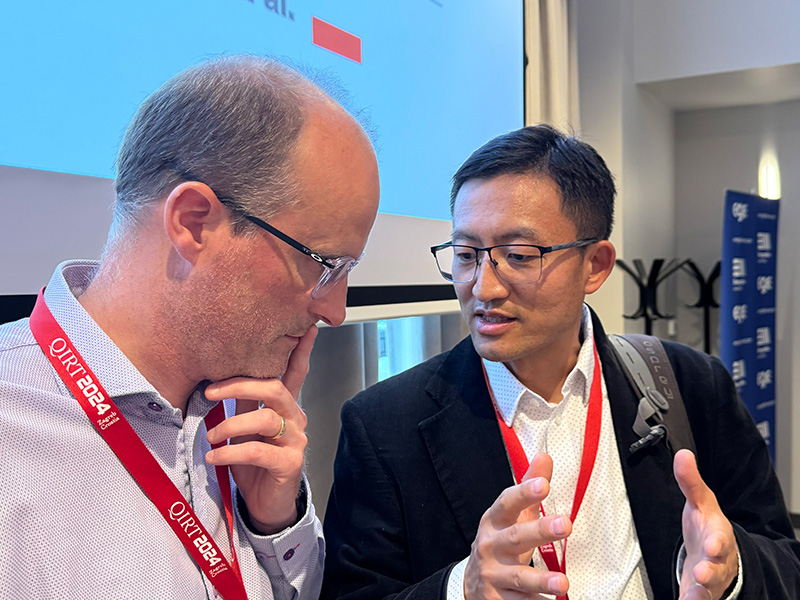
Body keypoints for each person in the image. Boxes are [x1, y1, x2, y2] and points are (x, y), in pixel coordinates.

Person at [321, 124, 800, 600]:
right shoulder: (384, 425)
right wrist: (460, 589)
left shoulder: (692, 385)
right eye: (466, 255)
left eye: (518, 255)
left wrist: (732, 569)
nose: (484, 288)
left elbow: (784, 558)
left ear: (595, 265)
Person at [0, 56, 379, 599]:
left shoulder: (243, 416)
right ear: (193, 223)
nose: (336, 310)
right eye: (325, 265)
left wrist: (276, 524)